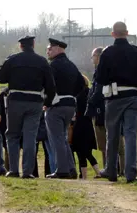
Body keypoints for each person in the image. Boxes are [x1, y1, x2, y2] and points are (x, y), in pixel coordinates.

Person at [96, 22, 137, 183]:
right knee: (130, 135)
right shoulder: (136, 52)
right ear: (127, 33)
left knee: (112, 135)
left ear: (113, 34)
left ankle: (111, 171)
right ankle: (130, 174)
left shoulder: (107, 53)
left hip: (114, 98)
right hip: (133, 97)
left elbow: (100, 78)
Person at [0, 36, 56, 179]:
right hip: (35, 102)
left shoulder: (12, 60)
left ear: (21, 46)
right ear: (33, 44)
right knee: (30, 136)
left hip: (15, 100)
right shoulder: (42, 61)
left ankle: (14, 170)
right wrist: (47, 102)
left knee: (13, 135)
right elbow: (51, 86)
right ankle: (28, 171)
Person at [44, 38, 85, 179]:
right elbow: (82, 84)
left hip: (56, 105)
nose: (47, 51)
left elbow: (48, 86)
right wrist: (71, 95)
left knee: (57, 139)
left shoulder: (52, 66)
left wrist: (47, 101)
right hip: (70, 105)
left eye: (49, 48)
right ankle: (71, 168)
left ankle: (62, 170)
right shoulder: (72, 65)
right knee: (63, 138)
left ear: (57, 49)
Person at [86, 47, 125, 176]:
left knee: (114, 141)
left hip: (103, 110)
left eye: (93, 57)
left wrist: (90, 102)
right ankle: (109, 168)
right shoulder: (101, 71)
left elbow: (98, 92)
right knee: (104, 143)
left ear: (99, 56)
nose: (92, 59)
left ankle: (117, 169)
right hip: (103, 111)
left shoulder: (103, 72)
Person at [72, 75, 101, 180]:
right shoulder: (90, 92)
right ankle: (96, 173)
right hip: (88, 125)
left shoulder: (77, 94)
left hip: (79, 125)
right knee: (87, 152)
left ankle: (84, 176)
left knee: (81, 152)